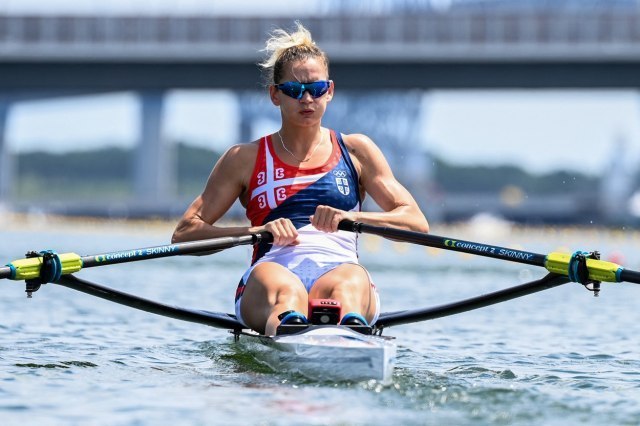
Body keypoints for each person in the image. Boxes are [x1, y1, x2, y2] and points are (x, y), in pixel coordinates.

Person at [172, 22, 429, 336]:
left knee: (344, 291)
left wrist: (353, 218)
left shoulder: (356, 150)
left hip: (341, 268)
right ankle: (292, 328)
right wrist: (257, 231)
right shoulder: (243, 158)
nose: (306, 98)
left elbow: (416, 223)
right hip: (272, 269)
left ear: (329, 91)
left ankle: (343, 334)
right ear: (275, 95)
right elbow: (184, 234)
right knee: (286, 295)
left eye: (316, 89)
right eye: (294, 90)